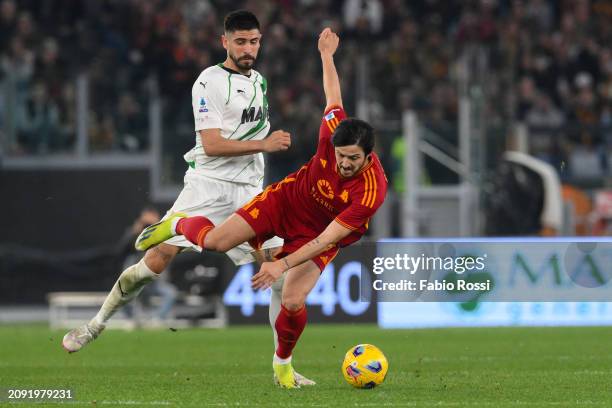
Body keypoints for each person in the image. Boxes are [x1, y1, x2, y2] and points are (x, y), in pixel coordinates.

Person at [62, 10, 316, 385]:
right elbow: (211, 145)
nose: (248, 49)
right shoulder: (208, 81)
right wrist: (265, 143)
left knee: (280, 269)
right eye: (241, 42)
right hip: (208, 185)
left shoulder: (259, 81)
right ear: (225, 42)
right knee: (154, 262)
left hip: (248, 193)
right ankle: (95, 325)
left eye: (255, 41)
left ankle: (283, 369)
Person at [134, 27, 388, 388]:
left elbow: (326, 239)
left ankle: (283, 366)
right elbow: (333, 95)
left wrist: (280, 265)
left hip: (317, 234)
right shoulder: (334, 129)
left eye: (352, 159)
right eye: (340, 155)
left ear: (368, 156)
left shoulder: (371, 191)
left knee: (294, 299)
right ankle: (175, 226)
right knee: (218, 242)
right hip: (284, 202)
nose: (344, 163)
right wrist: (327, 56)